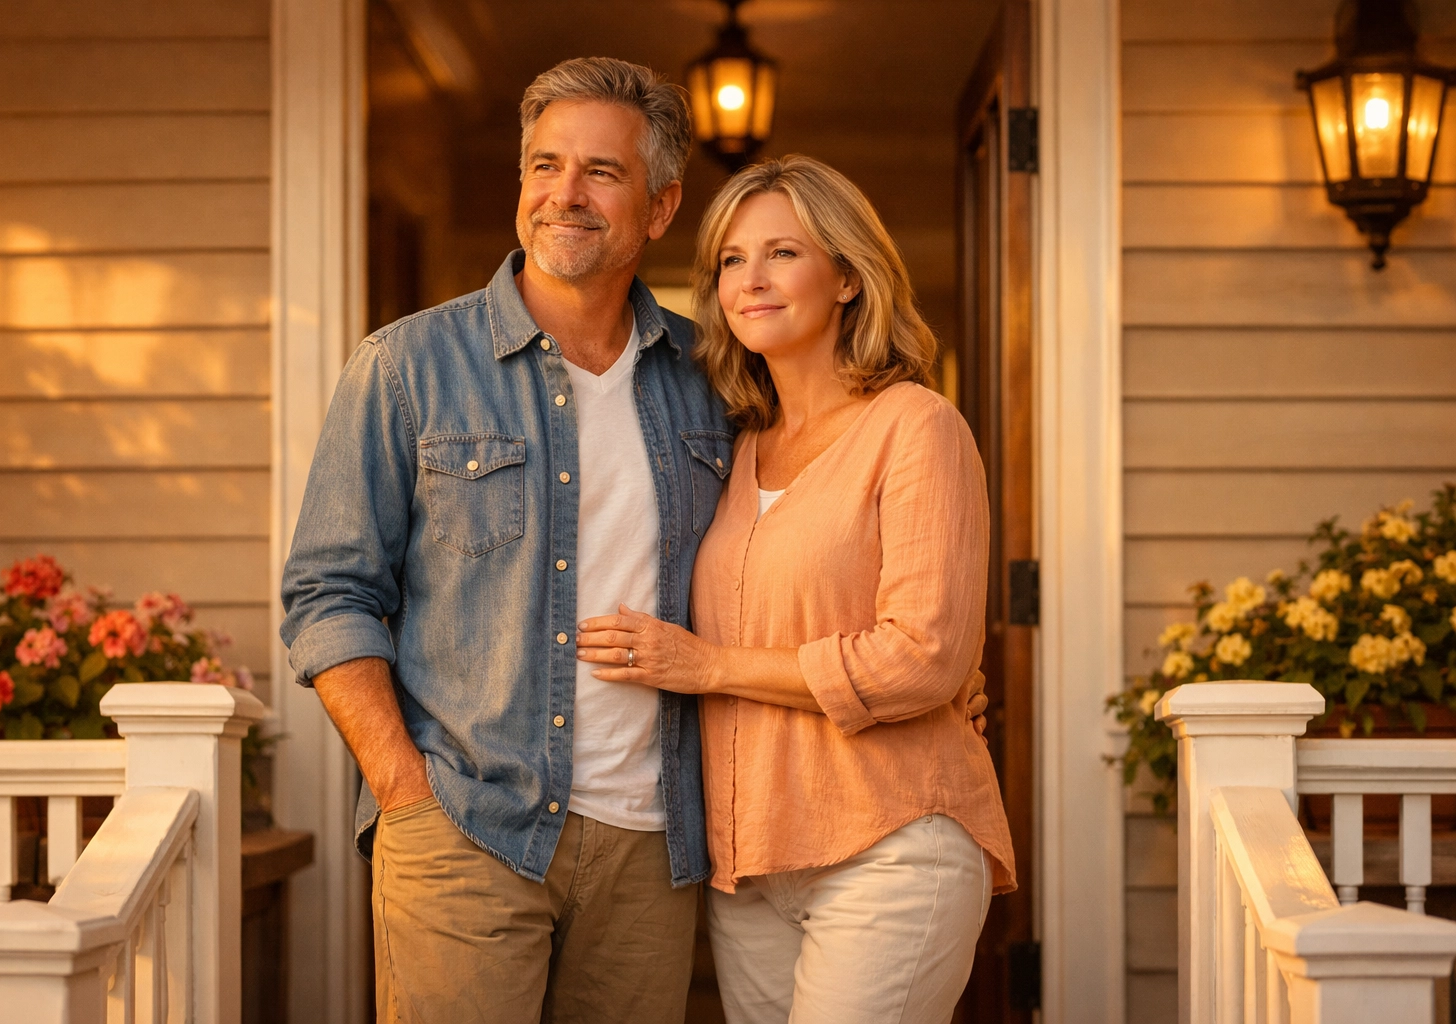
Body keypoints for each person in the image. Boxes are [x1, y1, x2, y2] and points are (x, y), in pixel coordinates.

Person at [279, 57, 731, 1023]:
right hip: (466, 829)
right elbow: (328, 592)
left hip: (652, 843)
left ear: (659, 207)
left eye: (601, 172)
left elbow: (786, 549)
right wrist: (405, 790)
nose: (564, 194)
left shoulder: (714, 380)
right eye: (544, 165)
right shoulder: (407, 366)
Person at [575, 154, 1015, 1023]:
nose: (751, 280)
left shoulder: (916, 426)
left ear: (848, 276)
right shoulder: (735, 449)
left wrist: (706, 667)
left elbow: (923, 656)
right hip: (752, 866)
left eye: (782, 253)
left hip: (890, 841)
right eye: (732, 261)